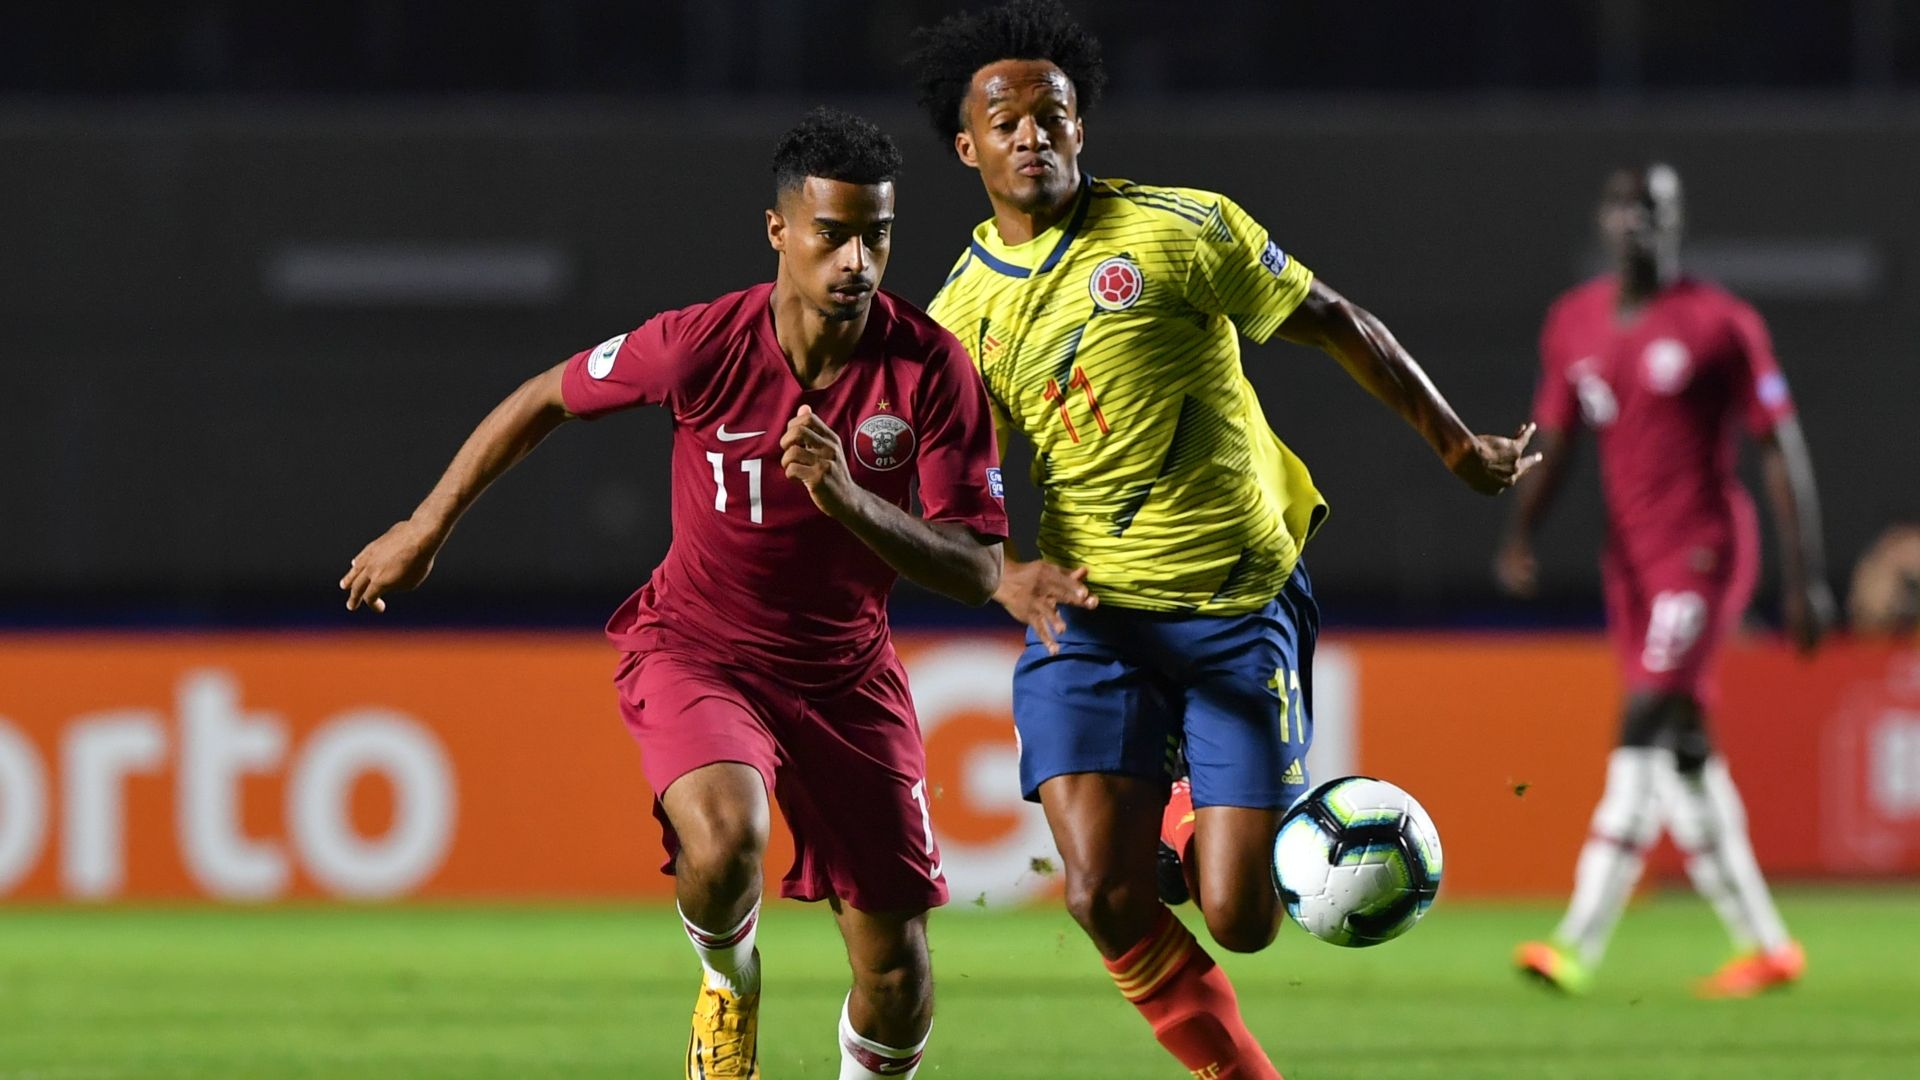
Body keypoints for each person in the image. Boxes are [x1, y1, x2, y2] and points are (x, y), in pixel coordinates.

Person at [908, 4, 1537, 1076]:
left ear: (1081, 129)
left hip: (1239, 606)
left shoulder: (1178, 229)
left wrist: (1453, 445)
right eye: (1005, 120)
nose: (1032, 135)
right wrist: (1000, 568)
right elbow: (946, 490)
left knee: (1242, 916)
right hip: (1094, 618)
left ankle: (1197, 818)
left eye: (1051, 115)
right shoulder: (956, 319)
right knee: (1099, 894)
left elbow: (1332, 316)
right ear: (967, 147)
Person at [338, 108, 1008, 1079]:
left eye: (878, 234)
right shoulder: (703, 344)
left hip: (847, 680)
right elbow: (542, 398)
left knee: (897, 978)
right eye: (834, 234)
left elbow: (978, 568)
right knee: (728, 836)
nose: (858, 259)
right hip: (700, 650)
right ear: (781, 232)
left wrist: (849, 500)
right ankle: (730, 980)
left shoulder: (930, 369)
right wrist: (425, 524)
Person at [1498, 163, 1835, 998]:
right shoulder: (1573, 323)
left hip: (1704, 553)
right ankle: (1767, 945)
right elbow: (1560, 439)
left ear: (1677, 221)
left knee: (1643, 719)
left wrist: (1809, 578)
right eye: (1622, 207)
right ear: (1603, 222)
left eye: (1652, 208)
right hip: (1633, 568)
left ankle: (1578, 941)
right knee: (1685, 754)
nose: (1636, 221)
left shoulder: (1721, 323)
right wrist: (1520, 532)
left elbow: (1778, 447)